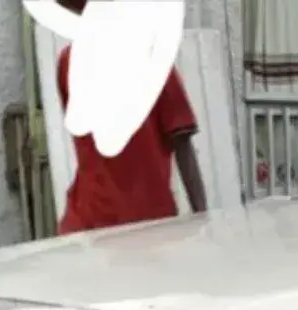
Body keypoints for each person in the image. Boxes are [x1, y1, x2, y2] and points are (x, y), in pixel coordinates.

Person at [53, 0, 207, 235]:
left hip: (90, 225)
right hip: (143, 224)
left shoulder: (69, 62)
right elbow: (182, 142)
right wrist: (203, 219)